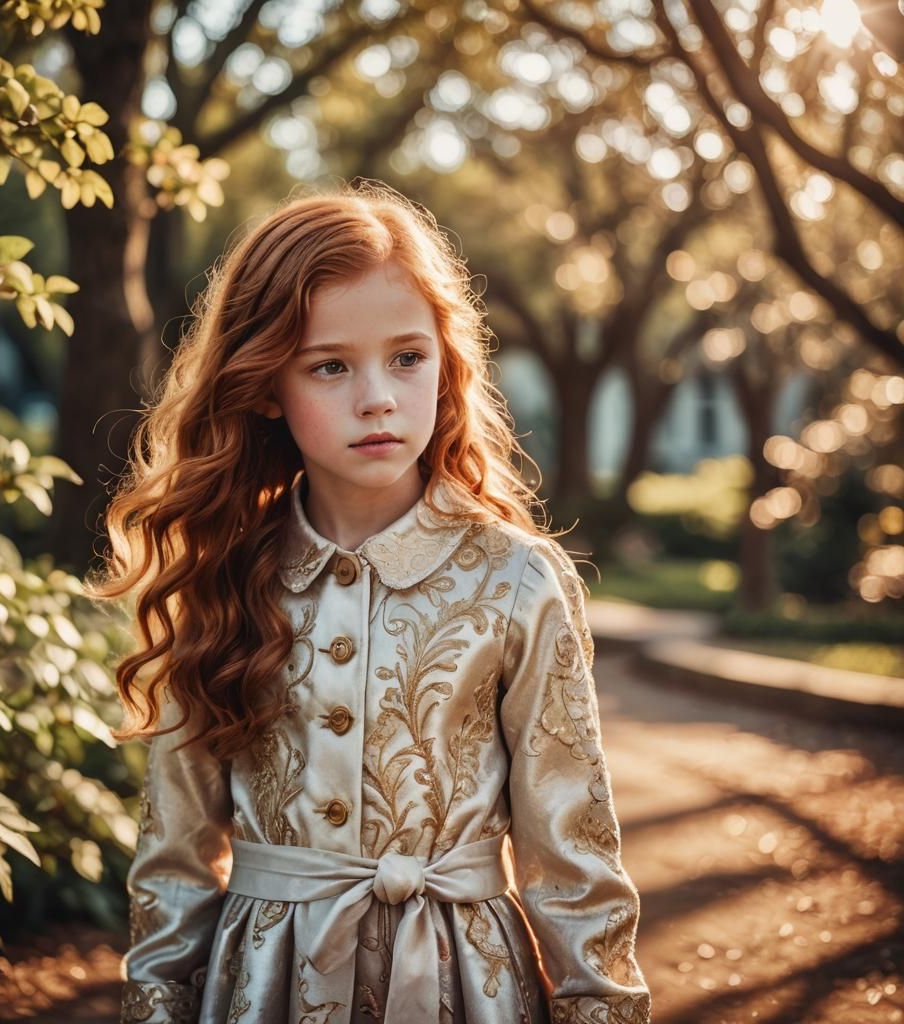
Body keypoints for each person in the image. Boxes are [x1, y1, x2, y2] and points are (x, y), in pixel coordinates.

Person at [90, 179, 651, 1024]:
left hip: (468, 984)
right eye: (329, 366)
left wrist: (601, 1008)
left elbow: (574, 854)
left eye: (406, 357)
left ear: (446, 362)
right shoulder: (219, 570)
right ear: (266, 385)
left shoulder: (517, 581)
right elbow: (172, 858)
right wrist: (157, 1005)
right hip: (263, 988)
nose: (378, 397)